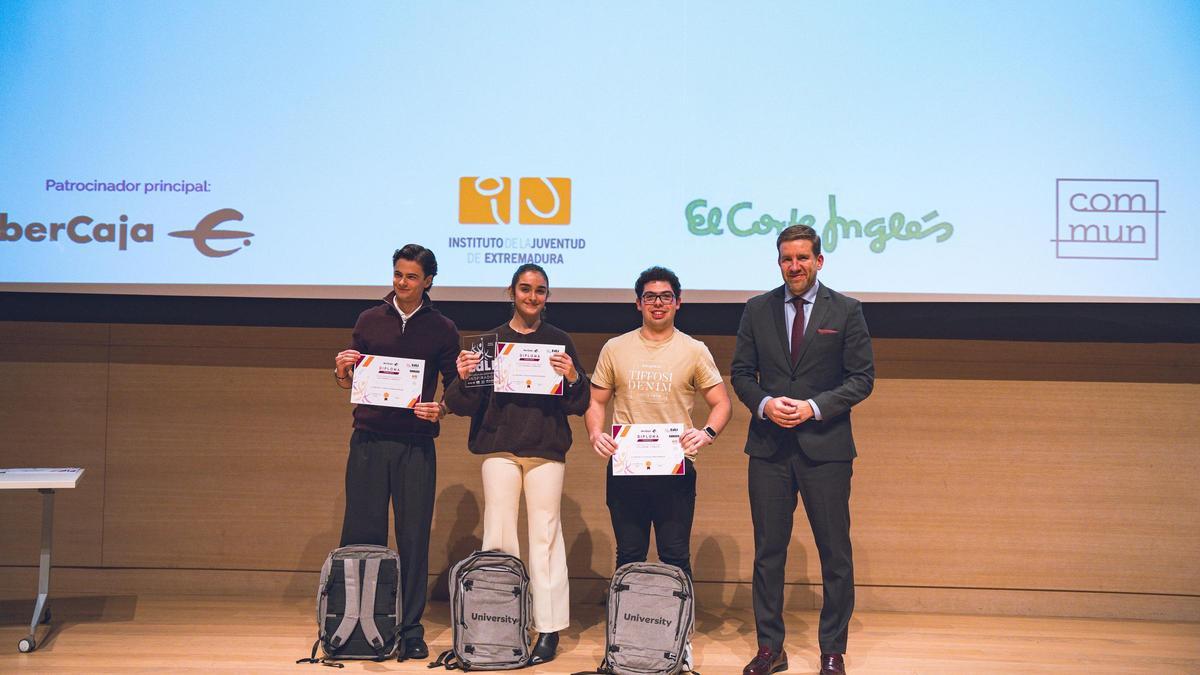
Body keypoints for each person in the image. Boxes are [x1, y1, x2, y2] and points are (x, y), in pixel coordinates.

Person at [730, 224, 875, 675]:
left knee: (835, 552)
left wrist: (814, 407)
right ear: (779, 262)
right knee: (768, 552)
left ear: (819, 261)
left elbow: (861, 379)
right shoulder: (757, 309)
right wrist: (766, 403)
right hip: (769, 449)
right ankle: (770, 648)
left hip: (826, 450)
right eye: (786, 259)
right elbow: (740, 374)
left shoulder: (847, 310)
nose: (794, 266)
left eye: (802, 258)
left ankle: (833, 649)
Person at [443, 264, 589, 665]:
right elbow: (460, 404)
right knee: (500, 535)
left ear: (547, 296)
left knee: (544, 538)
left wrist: (574, 376)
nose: (532, 296)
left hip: (546, 450)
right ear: (511, 292)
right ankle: (502, 620)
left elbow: (578, 404)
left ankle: (548, 627)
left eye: (540, 291)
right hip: (500, 448)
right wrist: (462, 377)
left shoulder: (559, 341)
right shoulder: (490, 342)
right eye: (525, 289)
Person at [333, 244, 460, 661]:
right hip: (369, 440)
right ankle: (358, 622)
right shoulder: (369, 319)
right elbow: (351, 379)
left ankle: (409, 629)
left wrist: (440, 407)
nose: (402, 283)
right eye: (397, 274)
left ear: (428, 281)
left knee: (414, 537)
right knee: (363, 533)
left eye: (411, 277)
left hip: (415, 445)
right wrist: (342, 370)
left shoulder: (442, 327)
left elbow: (454, 384)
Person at [586, 266, 731, 580]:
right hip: (626, 468)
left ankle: (678, 630)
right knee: (628, 556)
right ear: (638, 303)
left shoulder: (694, 350)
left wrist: (707, 432)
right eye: (650, 296)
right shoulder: (615, 348)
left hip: (675, 468)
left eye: (666, 296)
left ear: (678, 302)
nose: (658, 303)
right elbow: (596, 401)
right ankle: (625, 629)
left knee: (675, 556)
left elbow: (721, 403)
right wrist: (596, 433)